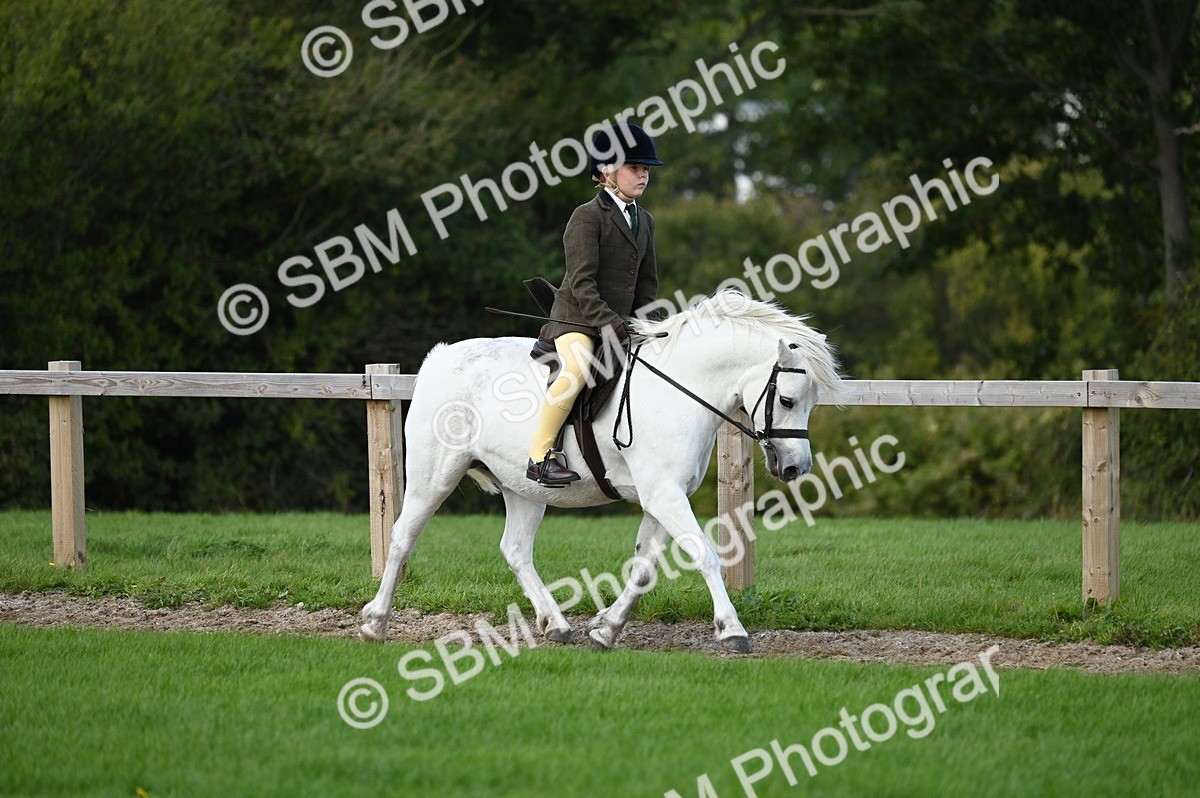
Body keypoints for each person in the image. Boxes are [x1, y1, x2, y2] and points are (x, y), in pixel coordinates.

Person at [526, 122, 663, 486]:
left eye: (645, 169)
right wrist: (611, 323)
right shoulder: (586, 216)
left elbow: (646, 285)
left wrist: (649, 324)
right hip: (578, 321)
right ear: (607, 172)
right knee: (575, 369)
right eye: (635, 167)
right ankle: (539, 457)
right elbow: (583, 284)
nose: (643, 175)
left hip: (619, 323)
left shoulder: (645, 221)